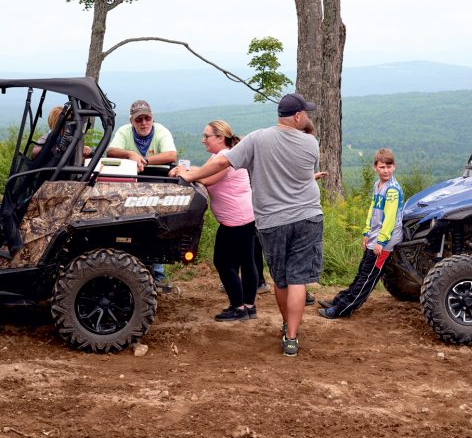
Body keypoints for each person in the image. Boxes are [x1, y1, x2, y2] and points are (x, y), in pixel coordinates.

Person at [172, 93, 324, 357]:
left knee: (281, 280)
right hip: (308, 216)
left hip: (273, 220)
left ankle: (286, 324)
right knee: (298, 280)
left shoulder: (257, 138)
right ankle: (291, 337)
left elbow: (223, 161)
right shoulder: (311, 143)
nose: (308, 117)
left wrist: (191, 175)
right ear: (298, 116)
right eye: (306, 113)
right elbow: (304, 158)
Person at [171, 120, 257, 321]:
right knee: (247, 261)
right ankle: (249, 306)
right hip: (246, 216)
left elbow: (206, 179)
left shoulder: (224, 158)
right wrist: (185, 169)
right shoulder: (225, 155)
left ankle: (238, 308)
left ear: (220, 138)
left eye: (206, 136)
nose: (203, 140)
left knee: (223, 262)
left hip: (235, 220)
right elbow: (204, 169)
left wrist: (185, 174)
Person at [318, 148, 404, 320]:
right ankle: (340, 300)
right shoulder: (378, 185)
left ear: (394, 167)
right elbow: (373, 210)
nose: (385, 171)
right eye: (382, 167)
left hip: (385, 240)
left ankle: (342, 309)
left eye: (388, 167)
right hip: (375, 236)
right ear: (375, 167)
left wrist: (381, 242)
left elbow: (389, 219)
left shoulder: (392, 190)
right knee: (362, 273)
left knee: (367, 278)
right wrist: (366, 232)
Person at [108, 100, 177, 286]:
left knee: (155, 227)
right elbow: (111, 151)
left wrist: (144, 160)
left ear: (152, 118)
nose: (144, 123)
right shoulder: (124, 131)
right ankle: (127, 270)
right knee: (128, 226)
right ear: (132, 121)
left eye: (147, 118)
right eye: (139, 119)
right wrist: (130, 155)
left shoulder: (160, 131)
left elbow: (171, 154)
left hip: (156, 184)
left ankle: (157, 273)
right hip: (129, 185)